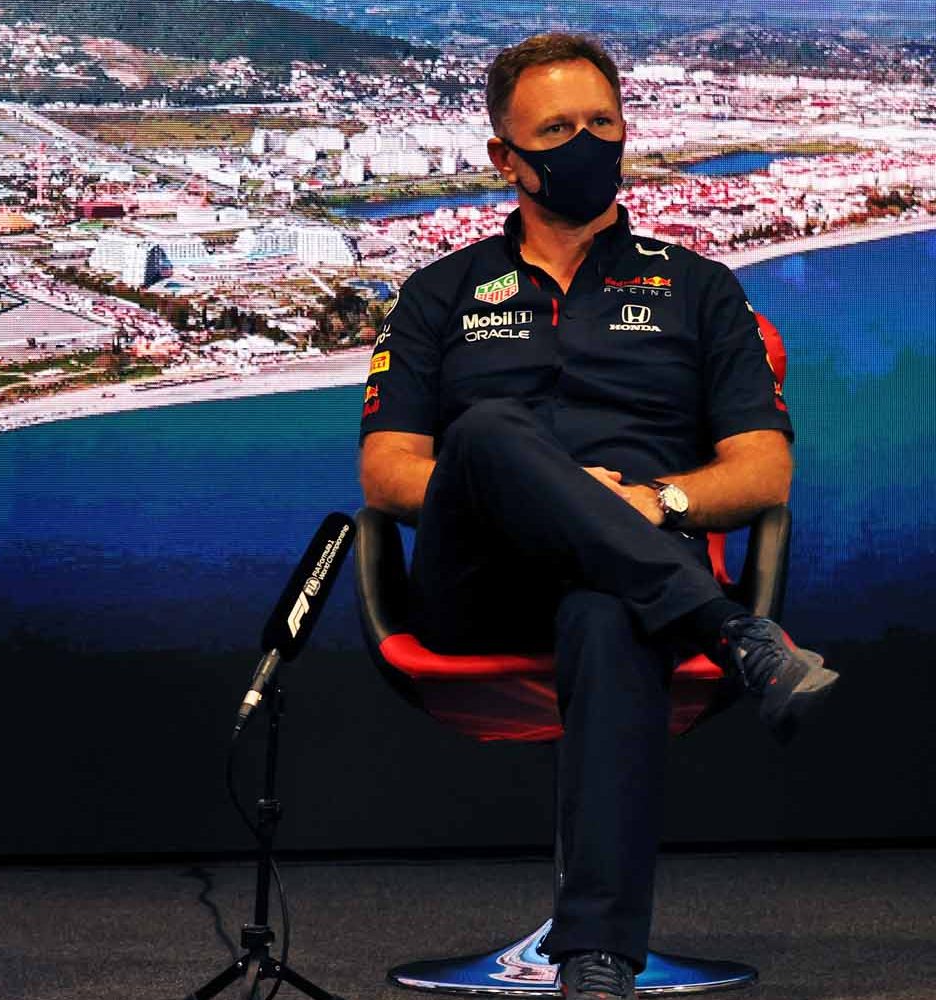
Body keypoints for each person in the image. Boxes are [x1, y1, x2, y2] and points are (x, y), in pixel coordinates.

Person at [358, 32, 839, 1000]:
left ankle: (595, 960)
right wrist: (533, 494)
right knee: (493, 429)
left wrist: (658, 498)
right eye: (556, 129)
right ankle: (738, 632)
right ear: (505, 157)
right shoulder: (439, 293)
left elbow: (762, 468)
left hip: (633, 573)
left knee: (606, 606)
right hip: (477, 578)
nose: (585, 143)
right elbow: (389, 469)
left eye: (601, 125)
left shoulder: (699, 288)